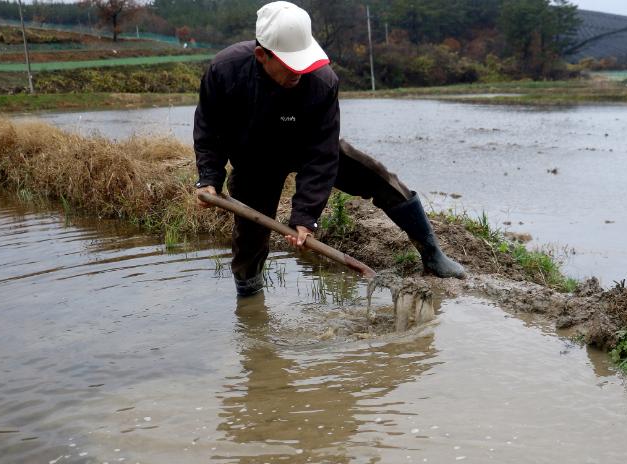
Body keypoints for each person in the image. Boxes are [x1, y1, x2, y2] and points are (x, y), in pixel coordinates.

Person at [193, 0, 465, 297]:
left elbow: (322, 155)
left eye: (304, 63)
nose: (300, 72)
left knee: (379, 178)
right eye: (291, 66)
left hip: (306, 145)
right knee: (249, 236)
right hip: (254, 159)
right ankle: (249, 298)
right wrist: (209, 178)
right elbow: (209, 128)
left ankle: (431, 253)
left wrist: (304, 218)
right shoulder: (225, 71)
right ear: (262, 55)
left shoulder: (322, 81)